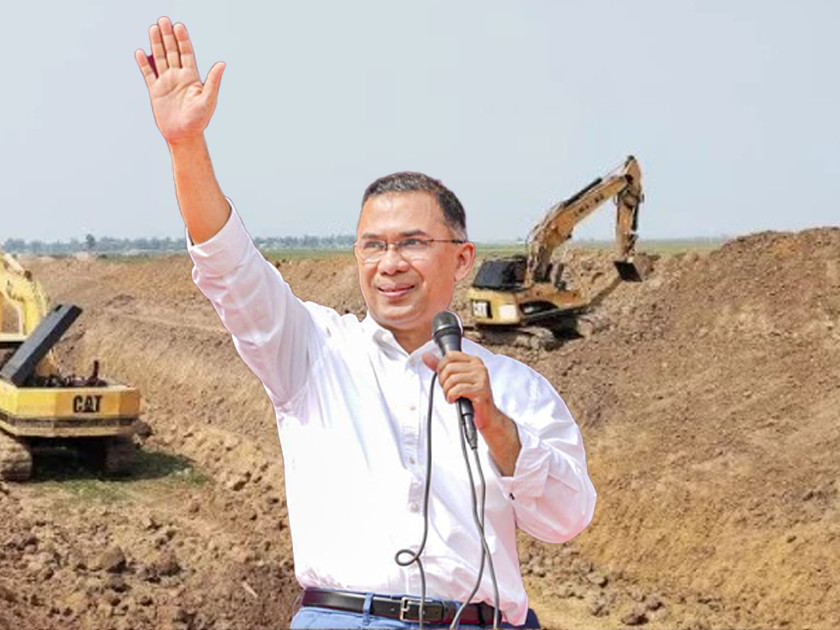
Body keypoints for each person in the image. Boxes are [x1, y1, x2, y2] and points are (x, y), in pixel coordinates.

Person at [134, 17, 596, 629]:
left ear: (462, 260)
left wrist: (498, 428)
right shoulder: (313, 354)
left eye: (412, 243)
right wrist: (185, 146)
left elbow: (567, 519)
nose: (390, 264)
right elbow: (229, 267)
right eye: (373, 246)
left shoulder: (514, 388)